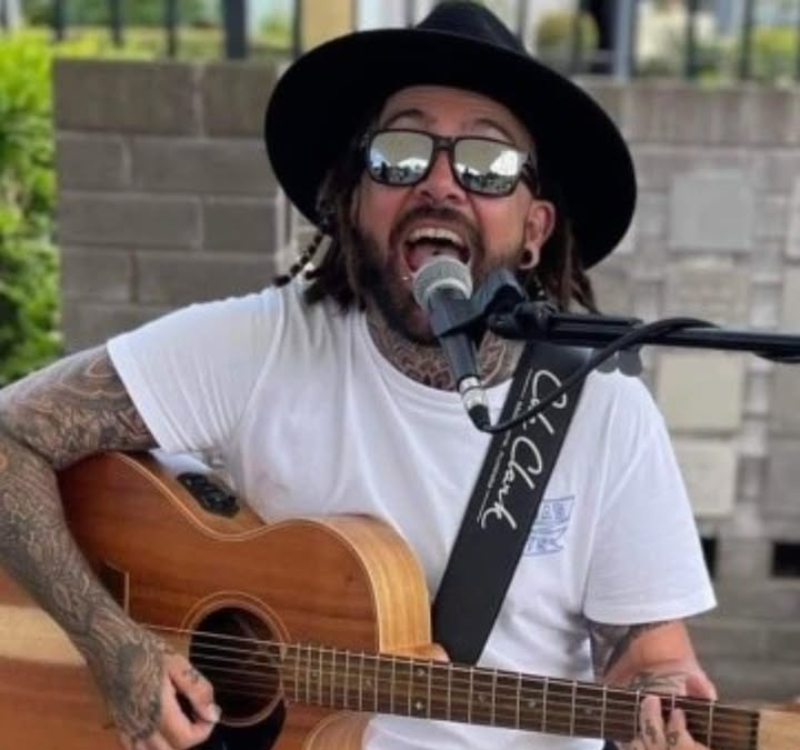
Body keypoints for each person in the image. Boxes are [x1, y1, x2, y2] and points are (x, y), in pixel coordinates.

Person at [0, 2, 717, 750]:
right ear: (353, 200)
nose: (441, 182)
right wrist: (110, 641)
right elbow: (10, 434)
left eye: (488, 163)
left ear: (534, 229)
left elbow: (652, 658)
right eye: (400, 152)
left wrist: (664, 695)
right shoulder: (262, 345)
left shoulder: (604, 410)